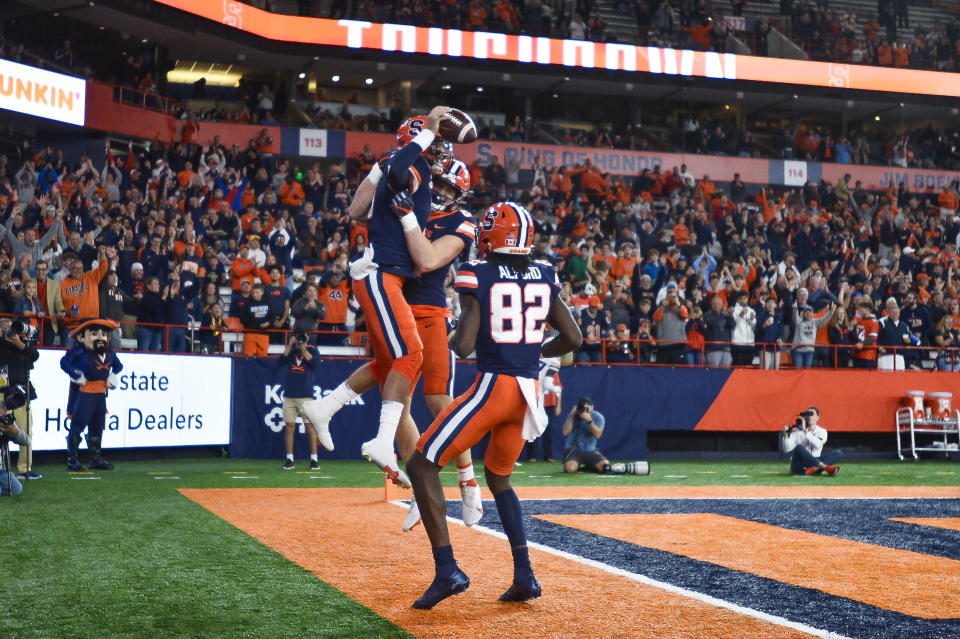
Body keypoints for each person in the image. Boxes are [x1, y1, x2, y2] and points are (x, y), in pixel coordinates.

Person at [405, 200, 582, 609]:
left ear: (491, 235)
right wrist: (532, 352)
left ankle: (447, 570)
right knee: (499, 477)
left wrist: (446, 334)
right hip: (527, 393)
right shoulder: (545, 273)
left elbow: (465, 346)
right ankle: (525, 576)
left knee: (421, 464)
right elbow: (573, 338)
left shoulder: (478, 271)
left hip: (494, 388)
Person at [302, 156, 485, 532]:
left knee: (438, 399)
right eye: (441, 183)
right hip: (393, 302)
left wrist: (406, 218)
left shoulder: (461, 221)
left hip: (431, 309)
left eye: (452, 189)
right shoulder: (414, 193)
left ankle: (469, 481)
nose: (444, 192)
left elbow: (428, 261)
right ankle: (422, 486)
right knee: (395, 399)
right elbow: (359, 211)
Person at [59, 319, 123, 471]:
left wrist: (113, 375)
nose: (100, 338)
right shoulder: (79, 352)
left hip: (101, 394)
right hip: (85, 393)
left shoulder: (109, 353)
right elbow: (64, 363)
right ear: (81, 338)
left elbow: (119, 366)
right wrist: (75, 374)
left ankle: (96, 458)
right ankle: (72, 459)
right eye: (94, 334)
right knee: (78, 424)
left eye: (103, 334)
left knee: (98, 425)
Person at [0, 317, 40, 480]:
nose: (7, 332)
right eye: (3, 329)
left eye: (9, 329)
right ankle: (2, 468)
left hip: (20, 392)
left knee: (26, 428)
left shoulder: (21, 345)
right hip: (1, 392)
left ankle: (25, 469)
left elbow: (34, 355)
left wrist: (18, 342)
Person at [278, 333, 323, 470]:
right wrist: (290, 345)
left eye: (302, 337)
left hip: (306, 395)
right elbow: (280, 362)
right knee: (290, 426)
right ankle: (289, 459)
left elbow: (315, 364)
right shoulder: (291, 350)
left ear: (307, 337)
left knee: (310, 428)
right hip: (289, 395)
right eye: (298, 337)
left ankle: (314, 460)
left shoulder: (313, 350)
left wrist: (303, 348)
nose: (300, 340)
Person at [781, 406, 841, 476]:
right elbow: (787, 449)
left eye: (812, 414)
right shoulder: (797, 431)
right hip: (800, 464)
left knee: (838, 453)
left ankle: (814, 469)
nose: (809, 416)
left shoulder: (822, 431)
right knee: (799, 448)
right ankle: (824, 468)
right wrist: (785, 435)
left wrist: (805, 431)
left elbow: (818, 444)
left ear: (817, 418)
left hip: (815, 461)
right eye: (807, 414)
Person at [0, 385, 30, 495]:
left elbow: (26, 441)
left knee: (16, 488)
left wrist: (14, 431)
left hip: (1, 469)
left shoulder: (5, 421)